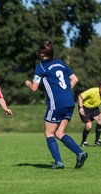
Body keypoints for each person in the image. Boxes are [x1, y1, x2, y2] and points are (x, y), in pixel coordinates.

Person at [25, 40, 88, 169]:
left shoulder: (41, 67)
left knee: (49, 133)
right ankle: (80, 152)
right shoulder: (60, 63)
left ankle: (58, 162)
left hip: (56, 103)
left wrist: (26, 82)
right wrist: (64, 91)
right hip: (69, 101)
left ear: (42, 53)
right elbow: (75, 79)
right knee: (59, 132)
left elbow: (34, 88)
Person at [78, 81, 101, 147]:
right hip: (84, 108)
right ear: (99, 88)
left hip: (94, 109)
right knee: (89, 126)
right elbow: (80, 96)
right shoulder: (92, 91)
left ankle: (97, 140)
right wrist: (81, 108)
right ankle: (84, 142)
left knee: (100, 119)